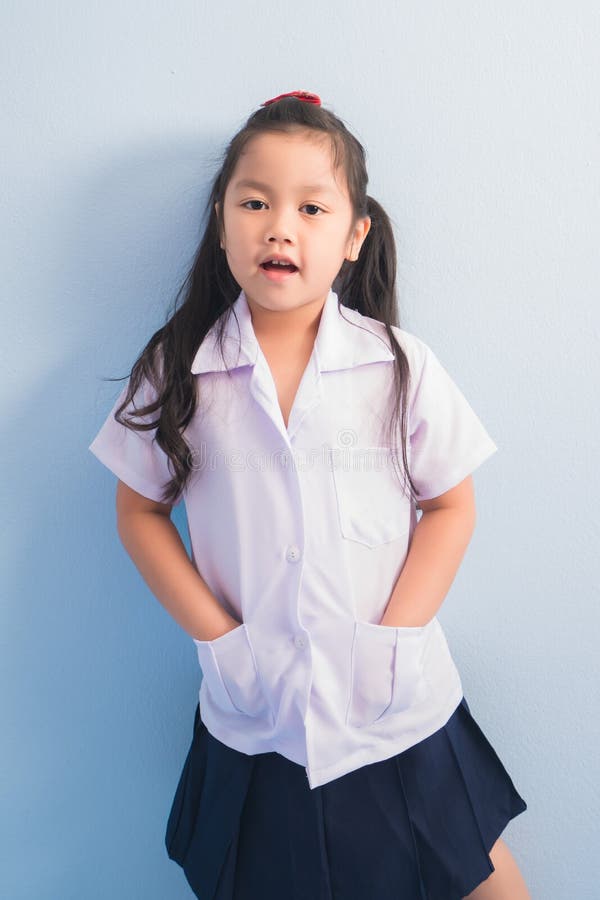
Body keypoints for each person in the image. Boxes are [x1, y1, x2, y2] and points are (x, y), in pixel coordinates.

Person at [88, 90, 530, 899]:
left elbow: (452, 506)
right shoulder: (179, 367)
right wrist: (222, 637)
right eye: (253, 202)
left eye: (311, 207)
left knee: (484, 881)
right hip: (259, 716)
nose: (278, 226)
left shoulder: (399, 364)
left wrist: (390, 639)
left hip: (397, 706)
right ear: (222, 220)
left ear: (354, 235)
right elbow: (138, 511)